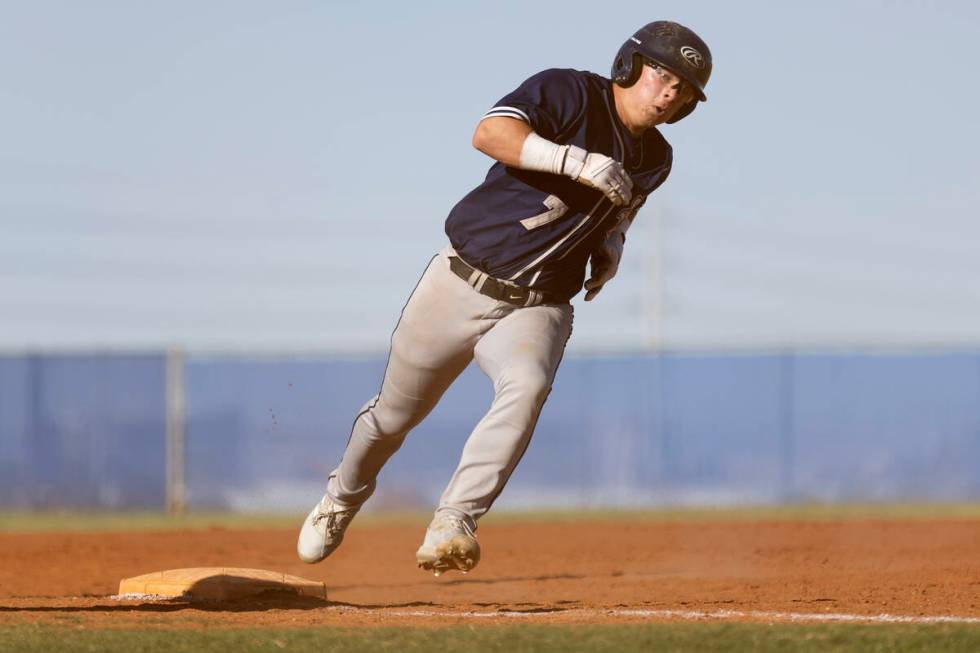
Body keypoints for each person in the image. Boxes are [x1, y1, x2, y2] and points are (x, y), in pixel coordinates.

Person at [298, 20, 712, 576]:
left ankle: (455, 521)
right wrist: (575, 160)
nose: (668, 93)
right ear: (629, 64)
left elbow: (623, 207)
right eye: (662, 74)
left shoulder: (656, 158)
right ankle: (341, 498)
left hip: (539, 302)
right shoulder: (569, 92)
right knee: (392, 418)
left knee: (528, 385)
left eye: (683, 89)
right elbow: (490, 133)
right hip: (460, 280)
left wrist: (613, 243)